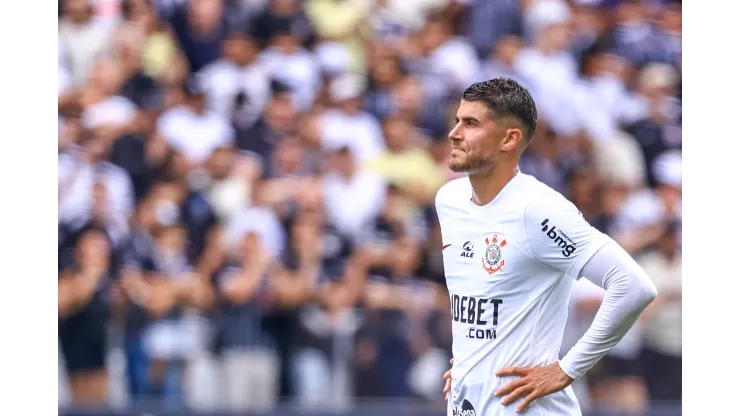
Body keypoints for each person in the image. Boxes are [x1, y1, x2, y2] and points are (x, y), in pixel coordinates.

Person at [436, 78, 656, 415]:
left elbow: (633, 286)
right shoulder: (449, 200)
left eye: (471, 123)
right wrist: (472, 364)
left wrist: (567, 369)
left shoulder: (537, 210)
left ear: (509, 139)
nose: (455, 133)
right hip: (467, 402)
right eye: (457, 121)